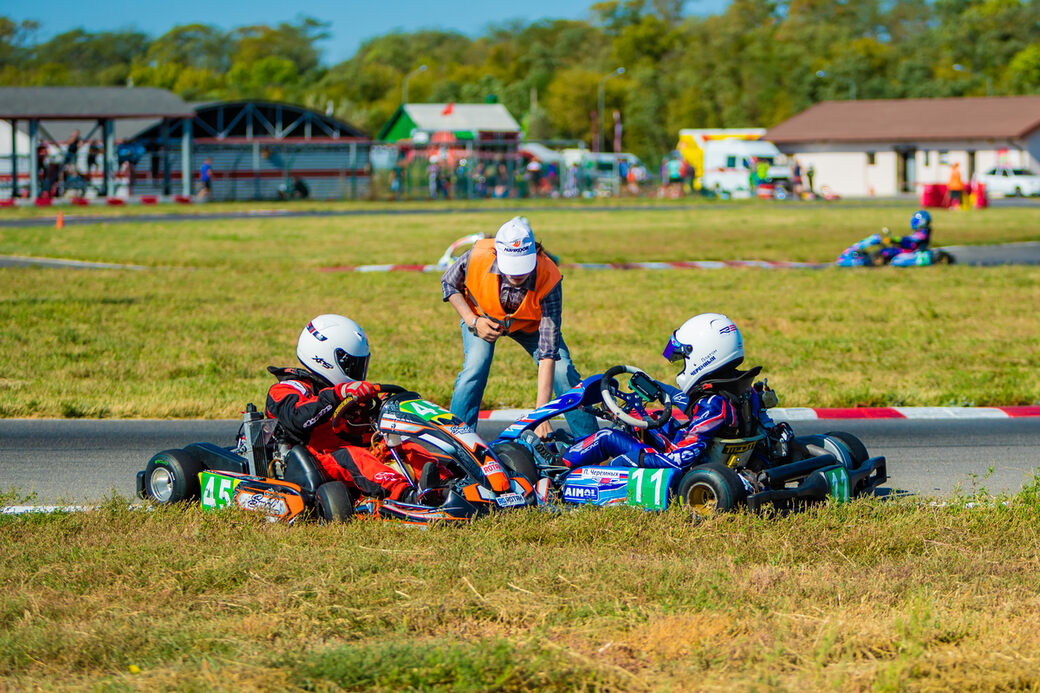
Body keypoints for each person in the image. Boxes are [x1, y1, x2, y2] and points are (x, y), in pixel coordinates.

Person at [441, 217, 597, 440]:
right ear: (497, 254)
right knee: (475, 368)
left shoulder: (549, 276)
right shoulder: (478, 256)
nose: (517, 275)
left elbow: (548, 352)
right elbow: (448, 283)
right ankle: (457, 441)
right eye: (511, 269)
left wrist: (541, 416)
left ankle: (592, 442)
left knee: (563, 372)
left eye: (522, 269)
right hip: (481, 317)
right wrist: (473, 321)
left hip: (530, 325)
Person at [266, 314, 446, 504]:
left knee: (404, 445)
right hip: (318, 457)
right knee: (356, 457)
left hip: (356, 447)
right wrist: (337, 394)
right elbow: (297, 419)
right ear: (326, 359)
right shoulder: (286, 389)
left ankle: (444, 484)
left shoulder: (347, 392)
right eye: (352, 365)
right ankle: (407, 496)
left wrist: (378, 405)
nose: (358, 372)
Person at [560, 313, 771, 472]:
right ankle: (573, 449)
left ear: (704, 353)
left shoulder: (713, 405)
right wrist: (658, 387)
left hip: (685, 465)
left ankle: (559, 465)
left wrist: (633, 460)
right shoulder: (744, 391)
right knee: (650, 419)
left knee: (607, 436)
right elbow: (768, 431)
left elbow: (684, 456)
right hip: (715, 457)